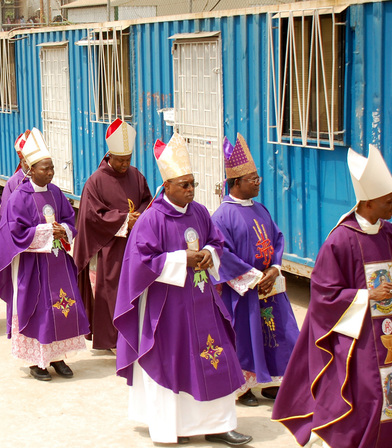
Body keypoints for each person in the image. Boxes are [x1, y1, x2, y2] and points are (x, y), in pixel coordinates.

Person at [114, 133, 252, 446]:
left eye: (193, 184)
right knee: (173, 362)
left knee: (218, 357)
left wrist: (209, 254)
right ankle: (172, 428)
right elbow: (140, 263)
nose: (190, 190)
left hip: (204, 301)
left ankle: (219, 425)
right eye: (184, 185)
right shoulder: (151, 219)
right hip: (169, 309)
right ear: (166, 186)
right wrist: (182, 259)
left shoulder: (200, 212)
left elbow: (217, 242)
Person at [272, 145, 392, 447]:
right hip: (358, 339)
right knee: (369, 396)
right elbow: (324, 297)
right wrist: (368, 296)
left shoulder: (389, 233)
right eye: (388, 200)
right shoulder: (341, 240)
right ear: (367, 202)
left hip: (388, 330)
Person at [0, 128, 90, 381]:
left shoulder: (56, 192)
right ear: (31, 170)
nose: (50, 172)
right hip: (32, 265)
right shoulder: (18, 197)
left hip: (56, 262)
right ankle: (37, 362)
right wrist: (47, 232)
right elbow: (15, 232)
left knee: (60, 307)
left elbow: (69, 219)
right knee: (40, 309)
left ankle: (57, 357)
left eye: (52, 168)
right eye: (45, 168)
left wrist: (64, 229)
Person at [211, 134, 299, 407]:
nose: (259, 182)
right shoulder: (222, 216)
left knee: (279, 333)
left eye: (258, 178)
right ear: (236, 183)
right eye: (253, 179)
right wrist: (254, 278)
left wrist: (274, 268)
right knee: (244, 335)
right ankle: (243, 387)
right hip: (244, 289)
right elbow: (221, 253)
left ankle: (273, 381)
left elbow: (277, 239)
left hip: (269, 286)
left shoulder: (260, 209)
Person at [74, 119, 152, 351]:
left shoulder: (136, 176)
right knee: (112, 292)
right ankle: (114, 341)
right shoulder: (96, 181)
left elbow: (147, 200)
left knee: (137, 290)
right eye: (120, 160)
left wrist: (140, 214)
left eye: (128, 160)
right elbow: (91, 215)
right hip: (111, 248)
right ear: (109, 156)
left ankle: (137, 336)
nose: (124, 165)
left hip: (136, 244)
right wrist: (125, 219)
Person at [0, 130, 30, 227]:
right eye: (26, 161)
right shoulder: (13, 182)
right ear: (21, 162)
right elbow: (5, 212)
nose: (31, 166)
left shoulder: (43, 180)